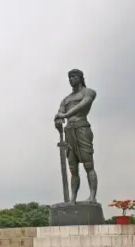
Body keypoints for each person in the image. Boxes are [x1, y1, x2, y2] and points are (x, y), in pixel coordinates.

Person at [54, 69, 98, 204]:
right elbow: (59, 114)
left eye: (73, 76)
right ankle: (72, 198)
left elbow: (83, 105)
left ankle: (92, 196)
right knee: (73, 168)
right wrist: (58, 122)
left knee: (88, 164)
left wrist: (65, 115)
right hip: (69, 132)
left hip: (82, 128)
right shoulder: (66, 99)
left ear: (80, 77)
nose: (71, 79)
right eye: (69, 77)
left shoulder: (88, 92)